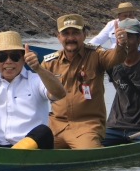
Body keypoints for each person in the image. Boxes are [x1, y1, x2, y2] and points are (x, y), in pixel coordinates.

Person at [41, 14, 128, 149]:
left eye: (75, 33)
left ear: (84, 35)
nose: (70, 38)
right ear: (58, 37)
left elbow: (116, 58)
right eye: (66, 34)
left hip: (87, 126)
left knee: (88, 157)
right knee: (35, 153)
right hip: (55, 126)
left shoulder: (96, 55)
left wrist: (121, 43)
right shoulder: (49, 63)